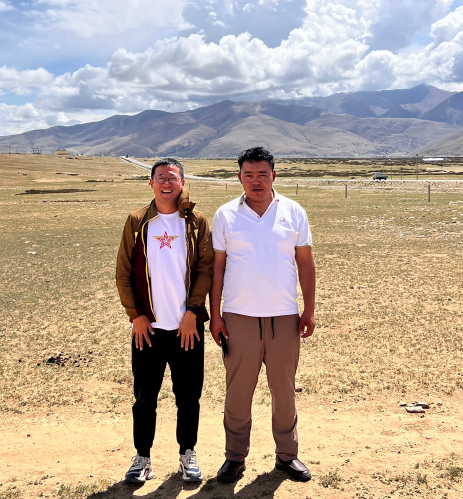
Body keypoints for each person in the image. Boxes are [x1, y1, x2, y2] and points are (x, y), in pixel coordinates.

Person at [209, 146, 316, 483]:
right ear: (239, 177)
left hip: (284, 317)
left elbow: (305, 263)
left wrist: (309, 310)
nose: (256, 181)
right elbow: (217, 269)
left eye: (262, 174)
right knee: (238, 393)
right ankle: (234, 458)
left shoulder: (294, 212)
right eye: (248, 174)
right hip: (238, 317)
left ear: (274, 175)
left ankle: (287, 456)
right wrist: (215, 315)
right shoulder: (225, 215)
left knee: (284, 392)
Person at [116, 158, 213, 484]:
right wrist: (136, 316)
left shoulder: (196, 222)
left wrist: (192, 313)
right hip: (148, 330)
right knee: (145, 399)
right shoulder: (138, 222)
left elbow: (205, 270)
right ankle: (142, 458)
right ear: (151, 183)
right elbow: (123, 273)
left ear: (182, 182)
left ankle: (188, 454)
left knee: (189, 397)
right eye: (160, 178)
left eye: (172, 178)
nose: (166, 183)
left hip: (188, 329)